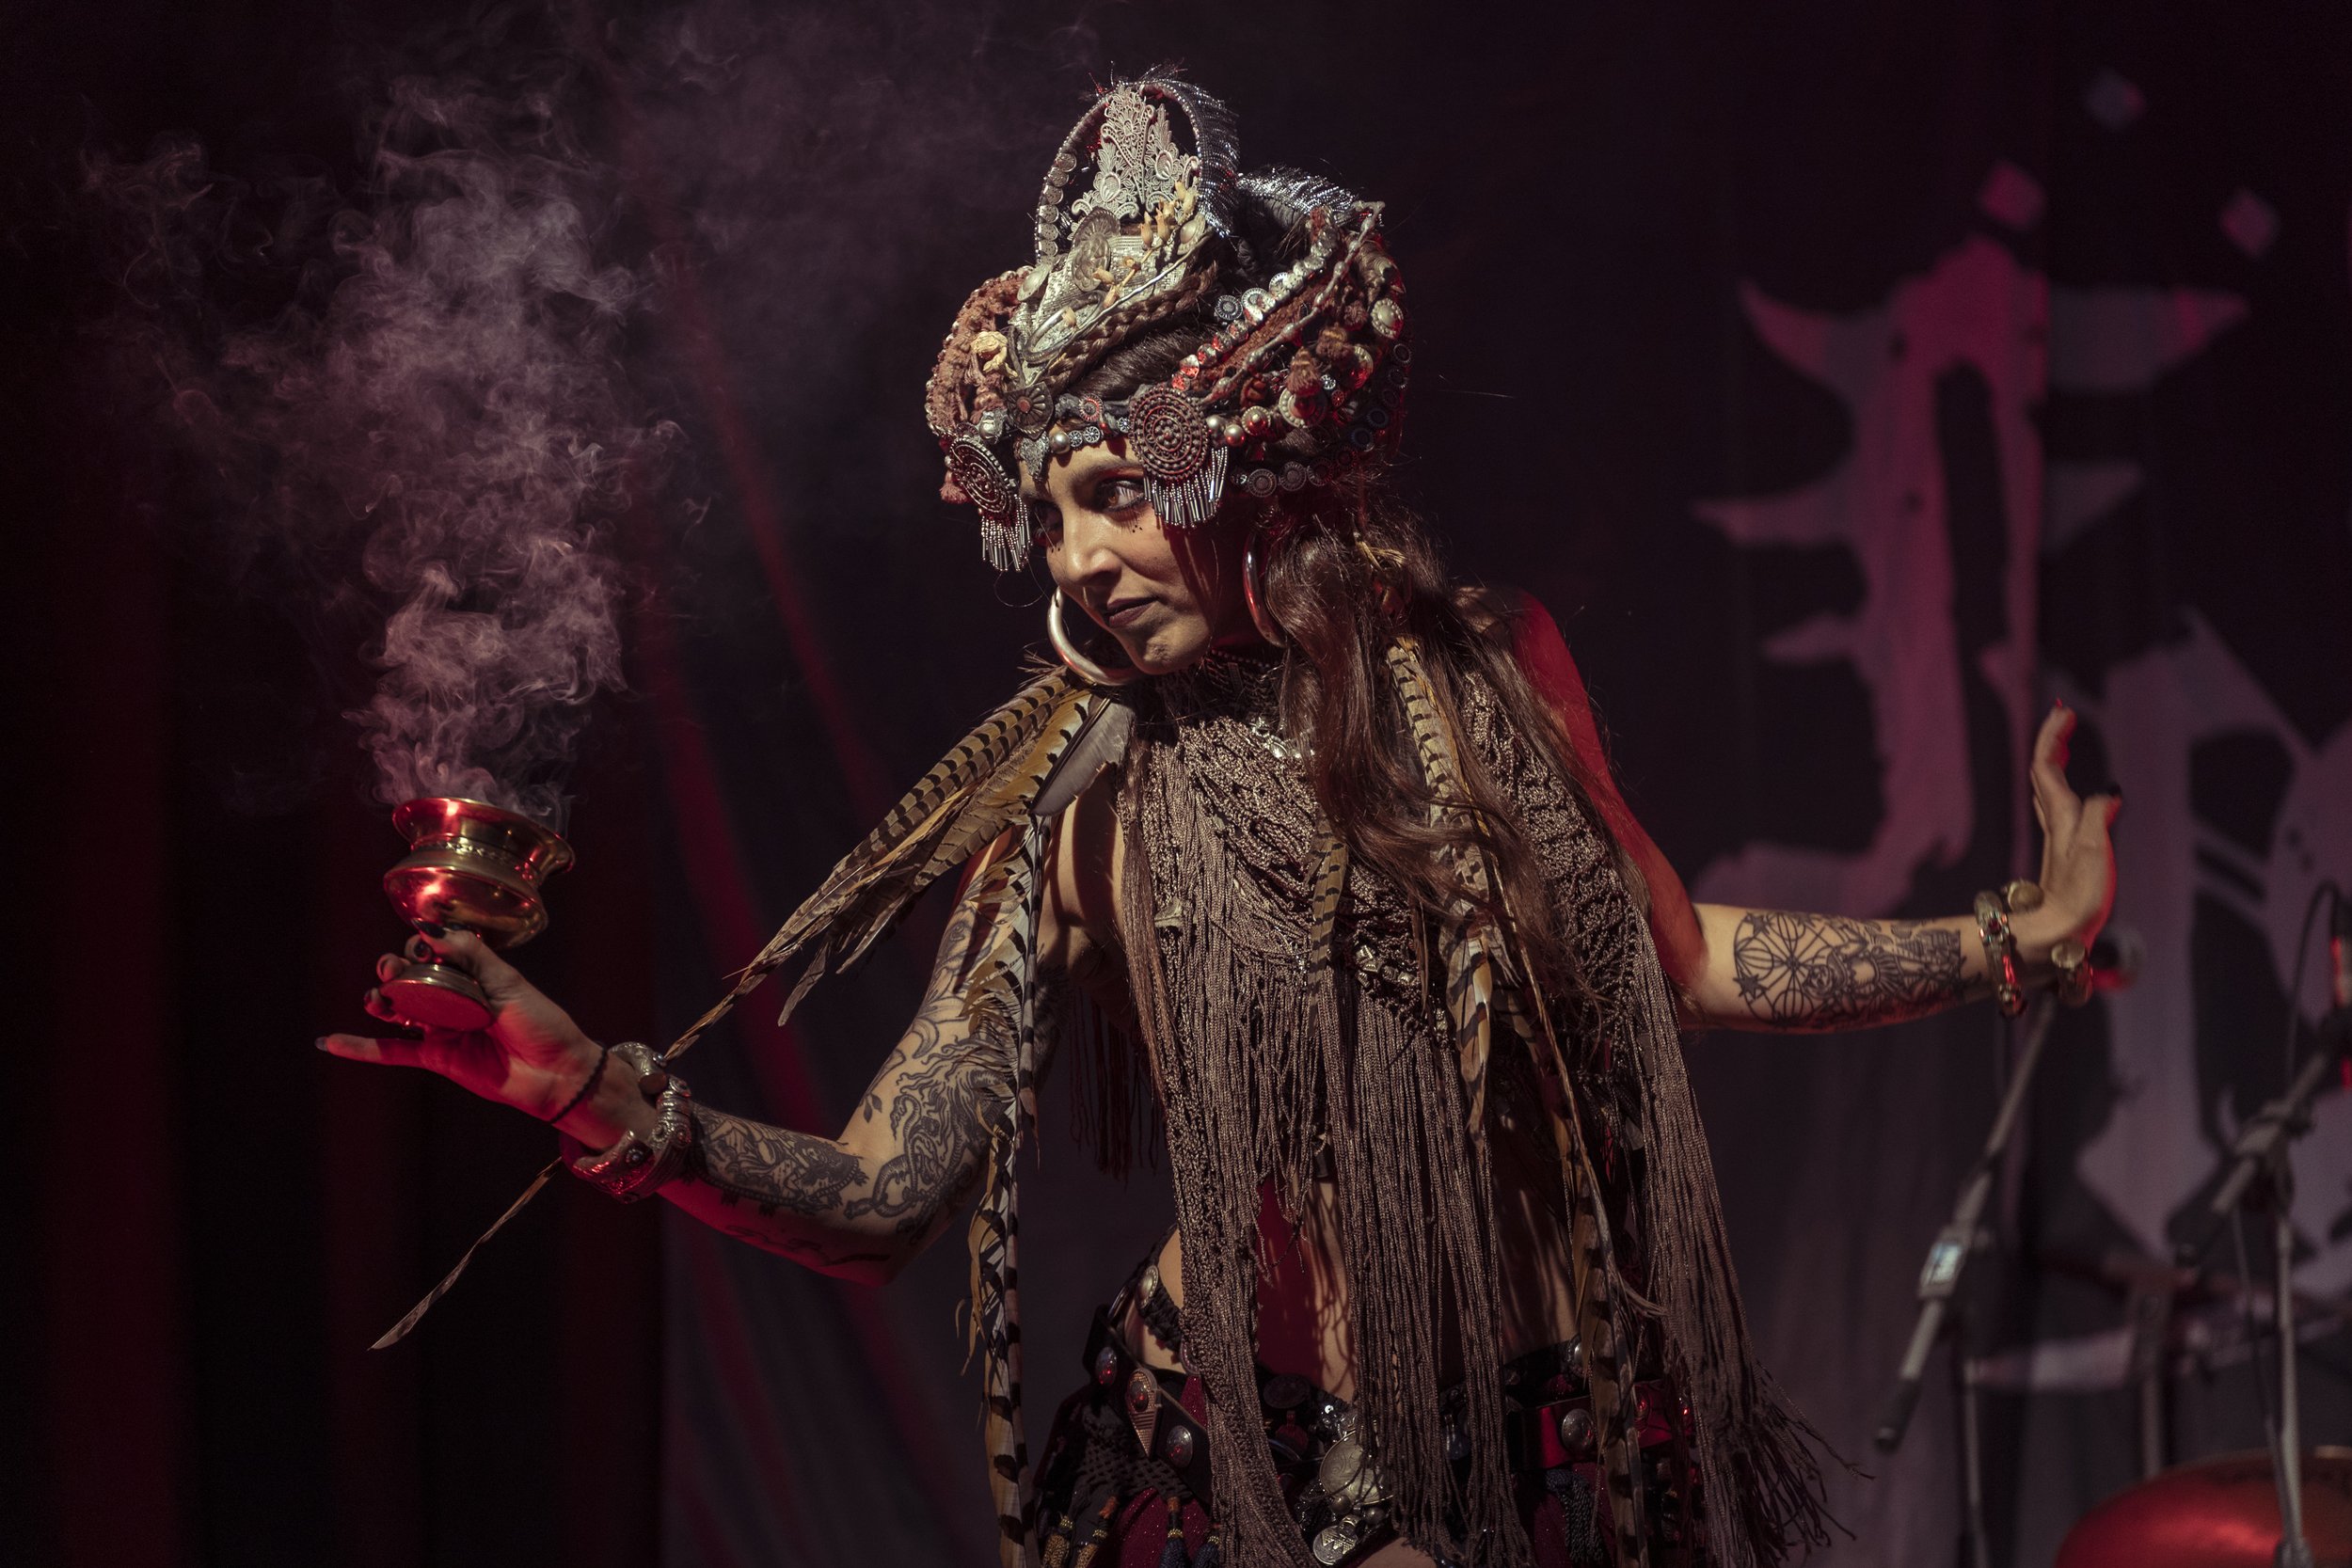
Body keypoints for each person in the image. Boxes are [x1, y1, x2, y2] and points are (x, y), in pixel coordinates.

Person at [322, 78, 2118, 1568]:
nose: (1081, 558)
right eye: (1052, 515)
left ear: (1248, 463)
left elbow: (1680, 956)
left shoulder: (1491, 676)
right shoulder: (1079, 813)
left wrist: (2007, 943)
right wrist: (591, 1094)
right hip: (1252, 1479)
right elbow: (878, 1197)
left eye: (1119, 493)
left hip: (1563, 1467)